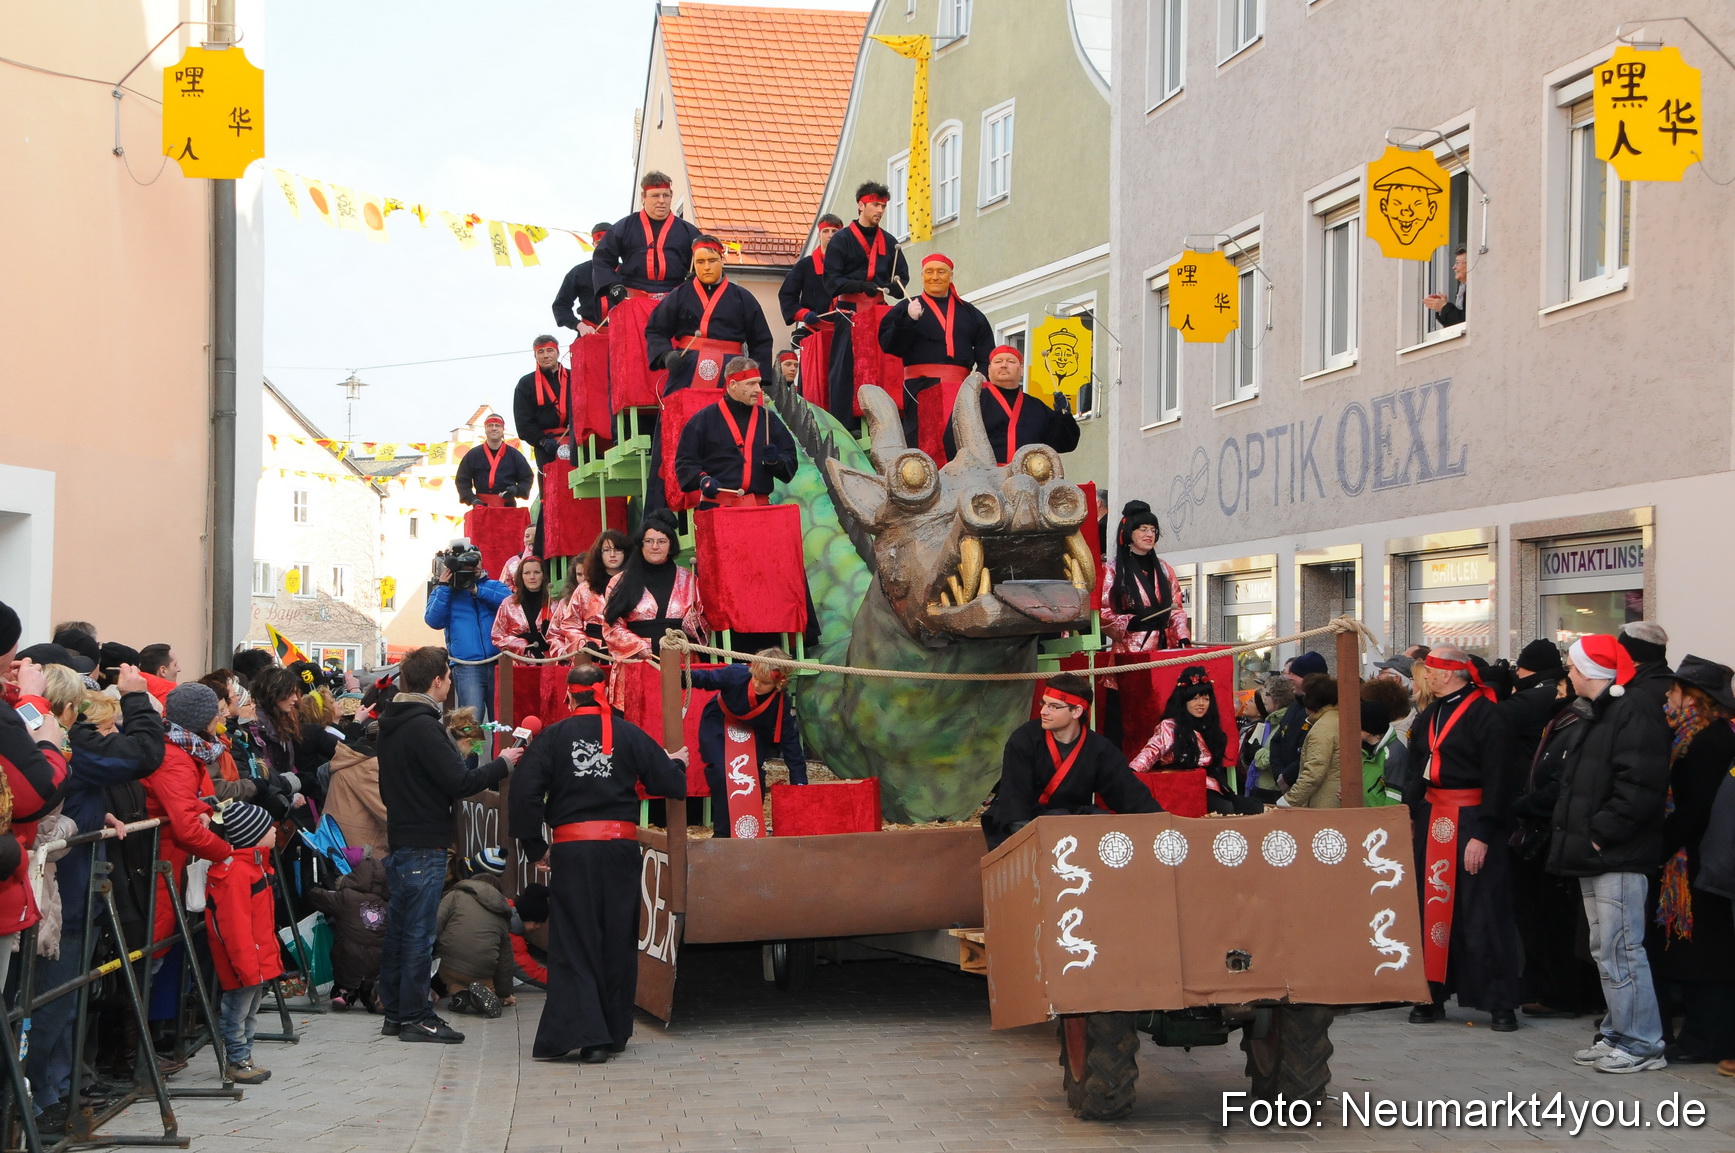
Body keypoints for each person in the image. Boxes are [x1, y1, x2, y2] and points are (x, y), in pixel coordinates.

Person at [509, 664, 689, 1061]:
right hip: (621, 852)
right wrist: (676, 763)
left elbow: (523, 793)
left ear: (569, 697)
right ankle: (609, 1034)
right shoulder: (627, 734)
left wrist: (534, 846)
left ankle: (587, 1036)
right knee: (617, 939)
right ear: (604, 694)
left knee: (576, 941)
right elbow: (670, 784)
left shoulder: (553, 737)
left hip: (574, 854)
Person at [376, 646, 523, 1044]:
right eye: (448, 676)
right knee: (418, 935)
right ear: (438, 680)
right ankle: (416, 1016)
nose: (451, 682)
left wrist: (468, 753)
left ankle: (396, 1011)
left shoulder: (396, 720)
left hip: (404, 837)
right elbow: (458, 784)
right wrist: (504, 762)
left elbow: (431, 777)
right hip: (424, 842)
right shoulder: (423, 726)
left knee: (402, 930)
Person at [1547, 635, 1671, 1073]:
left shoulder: (1630, 710)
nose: (1568, 673)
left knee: (1621, 947)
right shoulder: (1603, 711)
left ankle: (1642, 1041)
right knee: (1605, 947)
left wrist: (1600, 835)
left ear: (1588, 671)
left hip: (1615, 853)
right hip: (1596, 851)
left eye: (1573, 667)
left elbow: (1639, 784)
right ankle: (1618, 1031)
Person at [1404, 646, 1521, 1032]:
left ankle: (1499, 1002)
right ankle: (1431, 993)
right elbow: (1415, 767)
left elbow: (1500, 779)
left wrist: (1484, 833)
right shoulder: (1429, 715)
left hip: (1472, 818)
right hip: (1433, 816)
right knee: (1430, 907)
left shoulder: (1489, 716)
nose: (1425, 677)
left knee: (1481, 911)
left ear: (1450, 674)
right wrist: (1410, 813)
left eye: (1431, 670)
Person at [1651, 655, 1735, 1065]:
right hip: (1699, 857)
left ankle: (1707, 1039)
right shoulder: (1696, 735)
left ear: (1692, 697)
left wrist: (1663, 845)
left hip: (1701, 861)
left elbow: (1694, 808)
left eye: (1674, 691)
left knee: (1707, 956)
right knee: (1700, 953)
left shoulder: (1708, 741)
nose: (1669, 698)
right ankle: (1701, 1036)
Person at [980, 674, 1162, 850]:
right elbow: (1014, 794)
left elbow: (1128, 793)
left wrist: (1162, 825)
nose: (1043, 711)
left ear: (1076, 711)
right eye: (1043, 703)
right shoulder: (1024, 739)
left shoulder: (1099, 749)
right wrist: (1026, 841)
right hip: (1025, 820)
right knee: (1051, 820)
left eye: (1054, 706)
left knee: (1100, 820)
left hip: (1069, 821)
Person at [1511, 674, 1599, 1020]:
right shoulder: (1563, 719)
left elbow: (1565, 780)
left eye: (1565, 682)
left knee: (1556, 922)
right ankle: (1557, 988)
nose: (1559, 689)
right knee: (1548, 920)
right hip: (1548, 826)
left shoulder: (1576, 721)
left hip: (1554, 829)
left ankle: (1564, 992)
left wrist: (1526, 804)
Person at [602, 511, 707, 734]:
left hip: (680, 659)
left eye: (662, 541)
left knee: (680, 725)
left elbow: (703, 622)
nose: (655, 546)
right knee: (637, 728)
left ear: (671, 545)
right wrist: (641, 648)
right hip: (638, 662)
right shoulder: (620, 581)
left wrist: (694, 622)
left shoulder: (689, 578)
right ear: (640, 544)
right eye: (649, 541)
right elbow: (611, 626)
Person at [878, 253, 994, 447]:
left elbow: (987, 355)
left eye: (941, 272)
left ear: (951, 276)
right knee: (922, 440)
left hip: (961, 391)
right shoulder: (907, 307)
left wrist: (978, 383)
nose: (935, 277)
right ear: (922, 276)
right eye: (929, 272)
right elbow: (891, 346)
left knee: (959, 441)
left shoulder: (970, 313)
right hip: (919, 388)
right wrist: (908, 320)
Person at [204, 800, 281, 1085]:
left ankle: (244, 1056)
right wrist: (247, 967)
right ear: (254, 836)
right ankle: (237, 1060)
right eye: (268, 826)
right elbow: (234, 928)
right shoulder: (237, 872)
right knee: (237, 1011)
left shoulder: (254, 866)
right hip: (245, 960)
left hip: (254, 957)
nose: (274, 830)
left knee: (249, 1011)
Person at [690, 649, 807, 837]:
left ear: (779, 683)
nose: (757, 685)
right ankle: (722, 834)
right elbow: (706, 678)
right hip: (720, 722)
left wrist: (799, 781)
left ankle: (749, 832)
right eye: (755, 678)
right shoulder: (736, 673)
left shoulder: (781, 702)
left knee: (754, 778)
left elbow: (790, 742)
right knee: (721, 773)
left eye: (765, 682)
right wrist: (680, 675)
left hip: (752, 733)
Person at [822, 181, 909, 433]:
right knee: (845, 371)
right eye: (875, 205)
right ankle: (845, 426)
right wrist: (860, 285)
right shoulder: (841, 240)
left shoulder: (890, 242)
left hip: (879, 316)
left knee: (884, 370)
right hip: (849, 314)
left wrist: (894, 286)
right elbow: (832, 282)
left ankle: (884, 422)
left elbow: (901, 275)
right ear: (861, 205)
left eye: (883, 206)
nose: (879, 210)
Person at [644, 236, 775, 395]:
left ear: (722, 259)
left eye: (712, 260)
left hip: (732, 371)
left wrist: (754, 377)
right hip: (687, 367)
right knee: (677, 416)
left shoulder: (743, 298)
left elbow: (761, 340)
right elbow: (656, 330)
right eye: (700, 262)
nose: (706, 267)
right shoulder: (679, 295)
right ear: (694, 263)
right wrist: (665, 355)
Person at [674, 358, 799, 509]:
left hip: (759, 509)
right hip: (717, 509)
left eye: (759, 383)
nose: (758, 390)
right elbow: (685, 462)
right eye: (751, 383)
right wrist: (702, 480)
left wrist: (776, 462)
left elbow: (790, 458)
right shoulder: (703, 419)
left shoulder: (768, 418)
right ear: (732, 385)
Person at [943, 345, 1079, 466]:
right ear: (989, 370)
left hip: (1027, 480)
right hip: (984, 480)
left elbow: (1064, 444)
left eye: (1010, 361)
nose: (1003, 365)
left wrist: (1064, 415)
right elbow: (954, 437)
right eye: (998, 361)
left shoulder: (1037, 407)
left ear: (1021, 370)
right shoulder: (973, 401)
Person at [424, 546, 512, 722]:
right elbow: (433, 620)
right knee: (471, 723)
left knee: (501, 722)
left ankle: (502, 751)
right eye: (468, 562)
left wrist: (477, 591)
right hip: (467, 666)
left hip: (499, 662)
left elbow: (511, 606)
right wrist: (444, 587)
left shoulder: (494, 586)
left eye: (476, 561)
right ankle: (470, 752)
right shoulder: (445, 592)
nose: (474, 567)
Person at [592, 171, 704, 304]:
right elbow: (602, 259)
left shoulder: (689, 232)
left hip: (676, 302)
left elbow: (705, 261)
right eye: (655, 196)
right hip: (633, 300)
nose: (661, 201)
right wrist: (613, 285)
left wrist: (696, 279)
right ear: (643, 197)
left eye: (666, 195)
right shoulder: (624, 227)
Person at [435, 848, 516, 1018]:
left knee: (451, 979)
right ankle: (480, 996)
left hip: (449, 962)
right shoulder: (501, 912)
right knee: (488, 988)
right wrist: (503, 993)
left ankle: (460, 995)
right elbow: (505, 959)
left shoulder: (455, 895)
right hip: (482, 968)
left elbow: (435, 924)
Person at [307, 852, 388, 1013]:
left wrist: (316, 888)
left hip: (349, 957)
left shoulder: (346, 897)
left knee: (343, 948)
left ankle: (344, 992)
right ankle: (378, 994)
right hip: (379, 960)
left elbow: (315, 897)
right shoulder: (389, 903)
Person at [555, 530, 629, 664]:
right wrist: (584, 643)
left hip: (627, 653)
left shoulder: (636, 584)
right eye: (606, 550)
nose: (612, 554)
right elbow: (569, 624)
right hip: (593, 655)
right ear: (598, 554)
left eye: (618, 549)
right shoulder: (584, 588)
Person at [513, 337, 574, 478]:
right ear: (535, 356)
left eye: (550, 350)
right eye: (540, 352)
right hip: (546, 447)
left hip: (577, 443)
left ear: (558, 353)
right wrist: (542, 441)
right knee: (550, 491)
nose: (545, 355)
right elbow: (523, 422)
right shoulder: (525, 384)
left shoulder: (575, 376)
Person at [1280, 674, 1341, 809]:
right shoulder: (1336, 719)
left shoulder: (1322, 729)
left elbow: (1314, 773)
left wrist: (1288, 801)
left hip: (1324, 804)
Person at [1269, 653, 1327, 792]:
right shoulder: (1294, 706)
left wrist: (1288, 776)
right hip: (1286, 787)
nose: (1290, 678)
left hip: (1307, 789)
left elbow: (1314, 756)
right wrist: (1280, 775)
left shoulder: (1322, 710)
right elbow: (1276, 741)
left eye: (1295, 674)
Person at [780, 213, 842, 334]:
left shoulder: (850, 265)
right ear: (819, 235)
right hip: (813, 330)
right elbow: (786, 295)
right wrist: (804, 314)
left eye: (835, 231)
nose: (830, 235)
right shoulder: (804, 266)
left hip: (844, 330)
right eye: (825, 231)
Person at [456, 414, 534, 507]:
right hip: (481, 507)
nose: (494, 428)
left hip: (508, 508)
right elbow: (462, 480)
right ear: (485, 429)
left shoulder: (515, 455)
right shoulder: (473, 455)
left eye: (497, 425)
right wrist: (472, 499)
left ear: (503, 430)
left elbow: (527, 477)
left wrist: (517, 490)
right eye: (490, 425)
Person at [552, 222, 614, 332]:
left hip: (624, 337)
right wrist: (580, 326)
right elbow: (560, 306)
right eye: (598, 242)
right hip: (590, 335)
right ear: (593, 244)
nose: (602, 246)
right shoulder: (578, 272)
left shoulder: (628, 271)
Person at [1242, 676, 1296, 802]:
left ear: (1278, 698)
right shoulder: (1269, 722)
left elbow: (1280, 756)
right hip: (1259, 787)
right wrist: (1247, 757)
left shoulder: (1286, 722)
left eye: (1267, 694)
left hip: (1274, 790)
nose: (1264, 698)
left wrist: (1257, 753)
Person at [491, 555, 555, 659]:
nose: (532, 577)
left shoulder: (553, 605)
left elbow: (561, 636)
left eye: (537, 572)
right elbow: (497, 636)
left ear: (543, 575)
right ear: (521, 576)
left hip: (548, 663)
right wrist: (522, 643)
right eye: (527, 573)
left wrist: (549, 638)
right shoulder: (508, 604)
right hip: (518, 663)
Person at [1423, 247, 1467, 327]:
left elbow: (1465, 321)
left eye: (1457, 263)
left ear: (1469, 264)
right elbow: (1454, 324)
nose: (1454, 267)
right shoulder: (1462, 289)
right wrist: (1441, 308)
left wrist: (1444, 307)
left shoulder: (1473, 290)